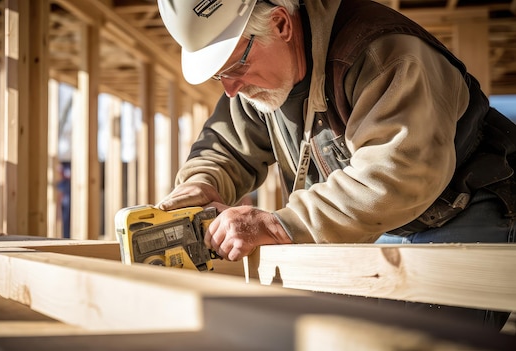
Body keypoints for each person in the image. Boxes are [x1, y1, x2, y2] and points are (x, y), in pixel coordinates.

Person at [156, 0, 516, 329]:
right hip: (385, 223)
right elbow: (227, 147)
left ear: (281, 24)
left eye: (235, 65)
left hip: (467, 204)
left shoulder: (385, 55)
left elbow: (397, 174)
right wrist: (200, 184)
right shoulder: (258, 78)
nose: (231, 89)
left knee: (424, 337)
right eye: (220, 74)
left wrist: (281, 224)